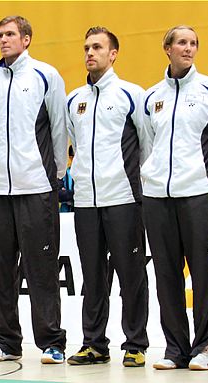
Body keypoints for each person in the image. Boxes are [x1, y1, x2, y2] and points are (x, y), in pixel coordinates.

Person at [138, 25, 208, 371]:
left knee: (205, 273)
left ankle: (205, 347)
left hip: (199, 195)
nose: (189, 48)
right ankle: (175, 348)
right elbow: (149, 146)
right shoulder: (151, 97)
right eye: (182, 42)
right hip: (157, 197)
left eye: (193, 43)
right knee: (166, 274)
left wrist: (206, 181)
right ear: (167, 48)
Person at [0, 15, 68, 364]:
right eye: (0, 34)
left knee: (42, 268)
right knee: (0, 270)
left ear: (26, 39)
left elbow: (59, 128)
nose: (4, 39)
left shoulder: (46, 75)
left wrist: (54, 173)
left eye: (11, 34)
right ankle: (6, 341)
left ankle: (51, 342)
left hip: (37, 187)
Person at [64, 26, 149, 367]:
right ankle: (94, 343)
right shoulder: (74, 100)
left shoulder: (132, 95)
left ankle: (135, 343)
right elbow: (74, 147)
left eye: (97, 47)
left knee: (131, 275)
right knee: (93, 276)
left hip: (124, 198)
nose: (90, 52)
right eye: (86, 47)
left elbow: (148, 144)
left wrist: (128, 180)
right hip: (86, 201)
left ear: (113, 54)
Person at [58, 146, 74, 212]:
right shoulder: (63, 173)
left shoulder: (87, 173)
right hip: (65, 213)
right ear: (70, 157)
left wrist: (67, 194)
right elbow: (59, 194)